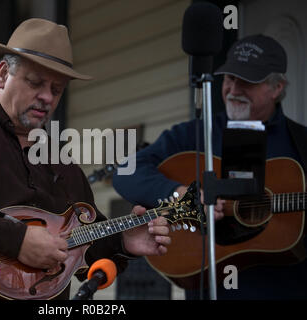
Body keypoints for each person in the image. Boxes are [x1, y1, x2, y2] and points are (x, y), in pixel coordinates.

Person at [0, 18, 171, 300]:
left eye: (57, 89)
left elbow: (78, 239)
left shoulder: (58, 157)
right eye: (35, 82)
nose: (47, 97)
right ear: (2, 74)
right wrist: (17, 240)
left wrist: (124, 241)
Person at [112, 34, 307, 299]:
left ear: (277, 87)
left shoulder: (301, 144)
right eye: (229, 78)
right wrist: (182, 195)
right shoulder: (194, 134)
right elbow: (125, 171)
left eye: (247, 81)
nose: (234, 90)